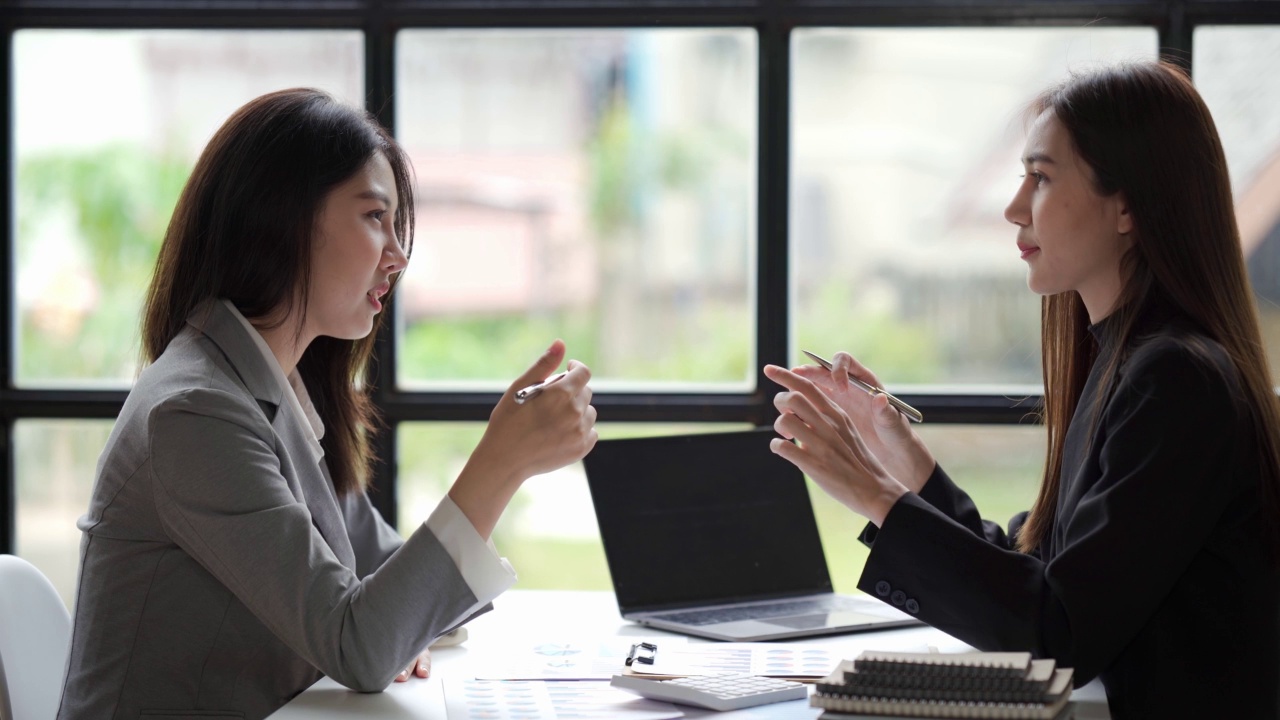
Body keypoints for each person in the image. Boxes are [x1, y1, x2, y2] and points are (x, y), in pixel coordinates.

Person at [57, 88, 598, 720]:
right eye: (375, 218)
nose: (397, 257)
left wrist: (394, 620)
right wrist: (502, 463)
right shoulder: (195, 414)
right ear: (282, 218)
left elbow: (388, 585)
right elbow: (362, 644)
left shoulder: (278, 389)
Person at [765, 60, 1280, 717]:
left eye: (1039, 177)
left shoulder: (1177, 381)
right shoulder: (1133, 361)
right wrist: (899, 457)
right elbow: (1041, 571)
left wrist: (871, 490)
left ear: (1126, 204)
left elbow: (1058, 632)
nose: (1012, 208)